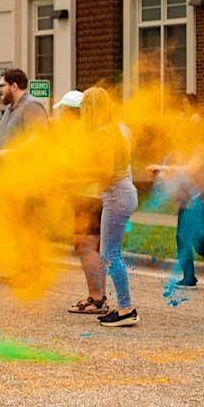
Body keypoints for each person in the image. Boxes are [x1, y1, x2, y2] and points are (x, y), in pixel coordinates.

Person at [80, 86, 139, 327]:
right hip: (122, 191)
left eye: (84, 106)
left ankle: (126, 308)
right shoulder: (117, 128)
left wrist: (76, 173)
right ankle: (125, 306)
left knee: (110, 254)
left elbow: (104, 172)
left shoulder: (103, 133)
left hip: (116, 195)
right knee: (111, 253)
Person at [54, 90, 108, 314]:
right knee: (92, 246)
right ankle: (99, 296)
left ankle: (96, 298)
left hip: (88, 197)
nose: (60, 115)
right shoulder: (89, 132)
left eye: (63, 111)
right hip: (90, 195)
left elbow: (88, 169)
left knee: (86, 246)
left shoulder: (82, 134)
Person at [147, 140, 204, 287]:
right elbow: (172, 184)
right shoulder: (174, 154)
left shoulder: (200, 150)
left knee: (197, 237)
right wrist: (160, 177)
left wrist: (162, 168)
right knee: (182, 237)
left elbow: (190, 170)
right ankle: (189, 277)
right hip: (189, 200)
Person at [0, 68, 48, 151]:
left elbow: (39, 138)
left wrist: (10, 153)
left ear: (14, 86)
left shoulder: (32, 106)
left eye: (2, 86)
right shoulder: (9, 109)